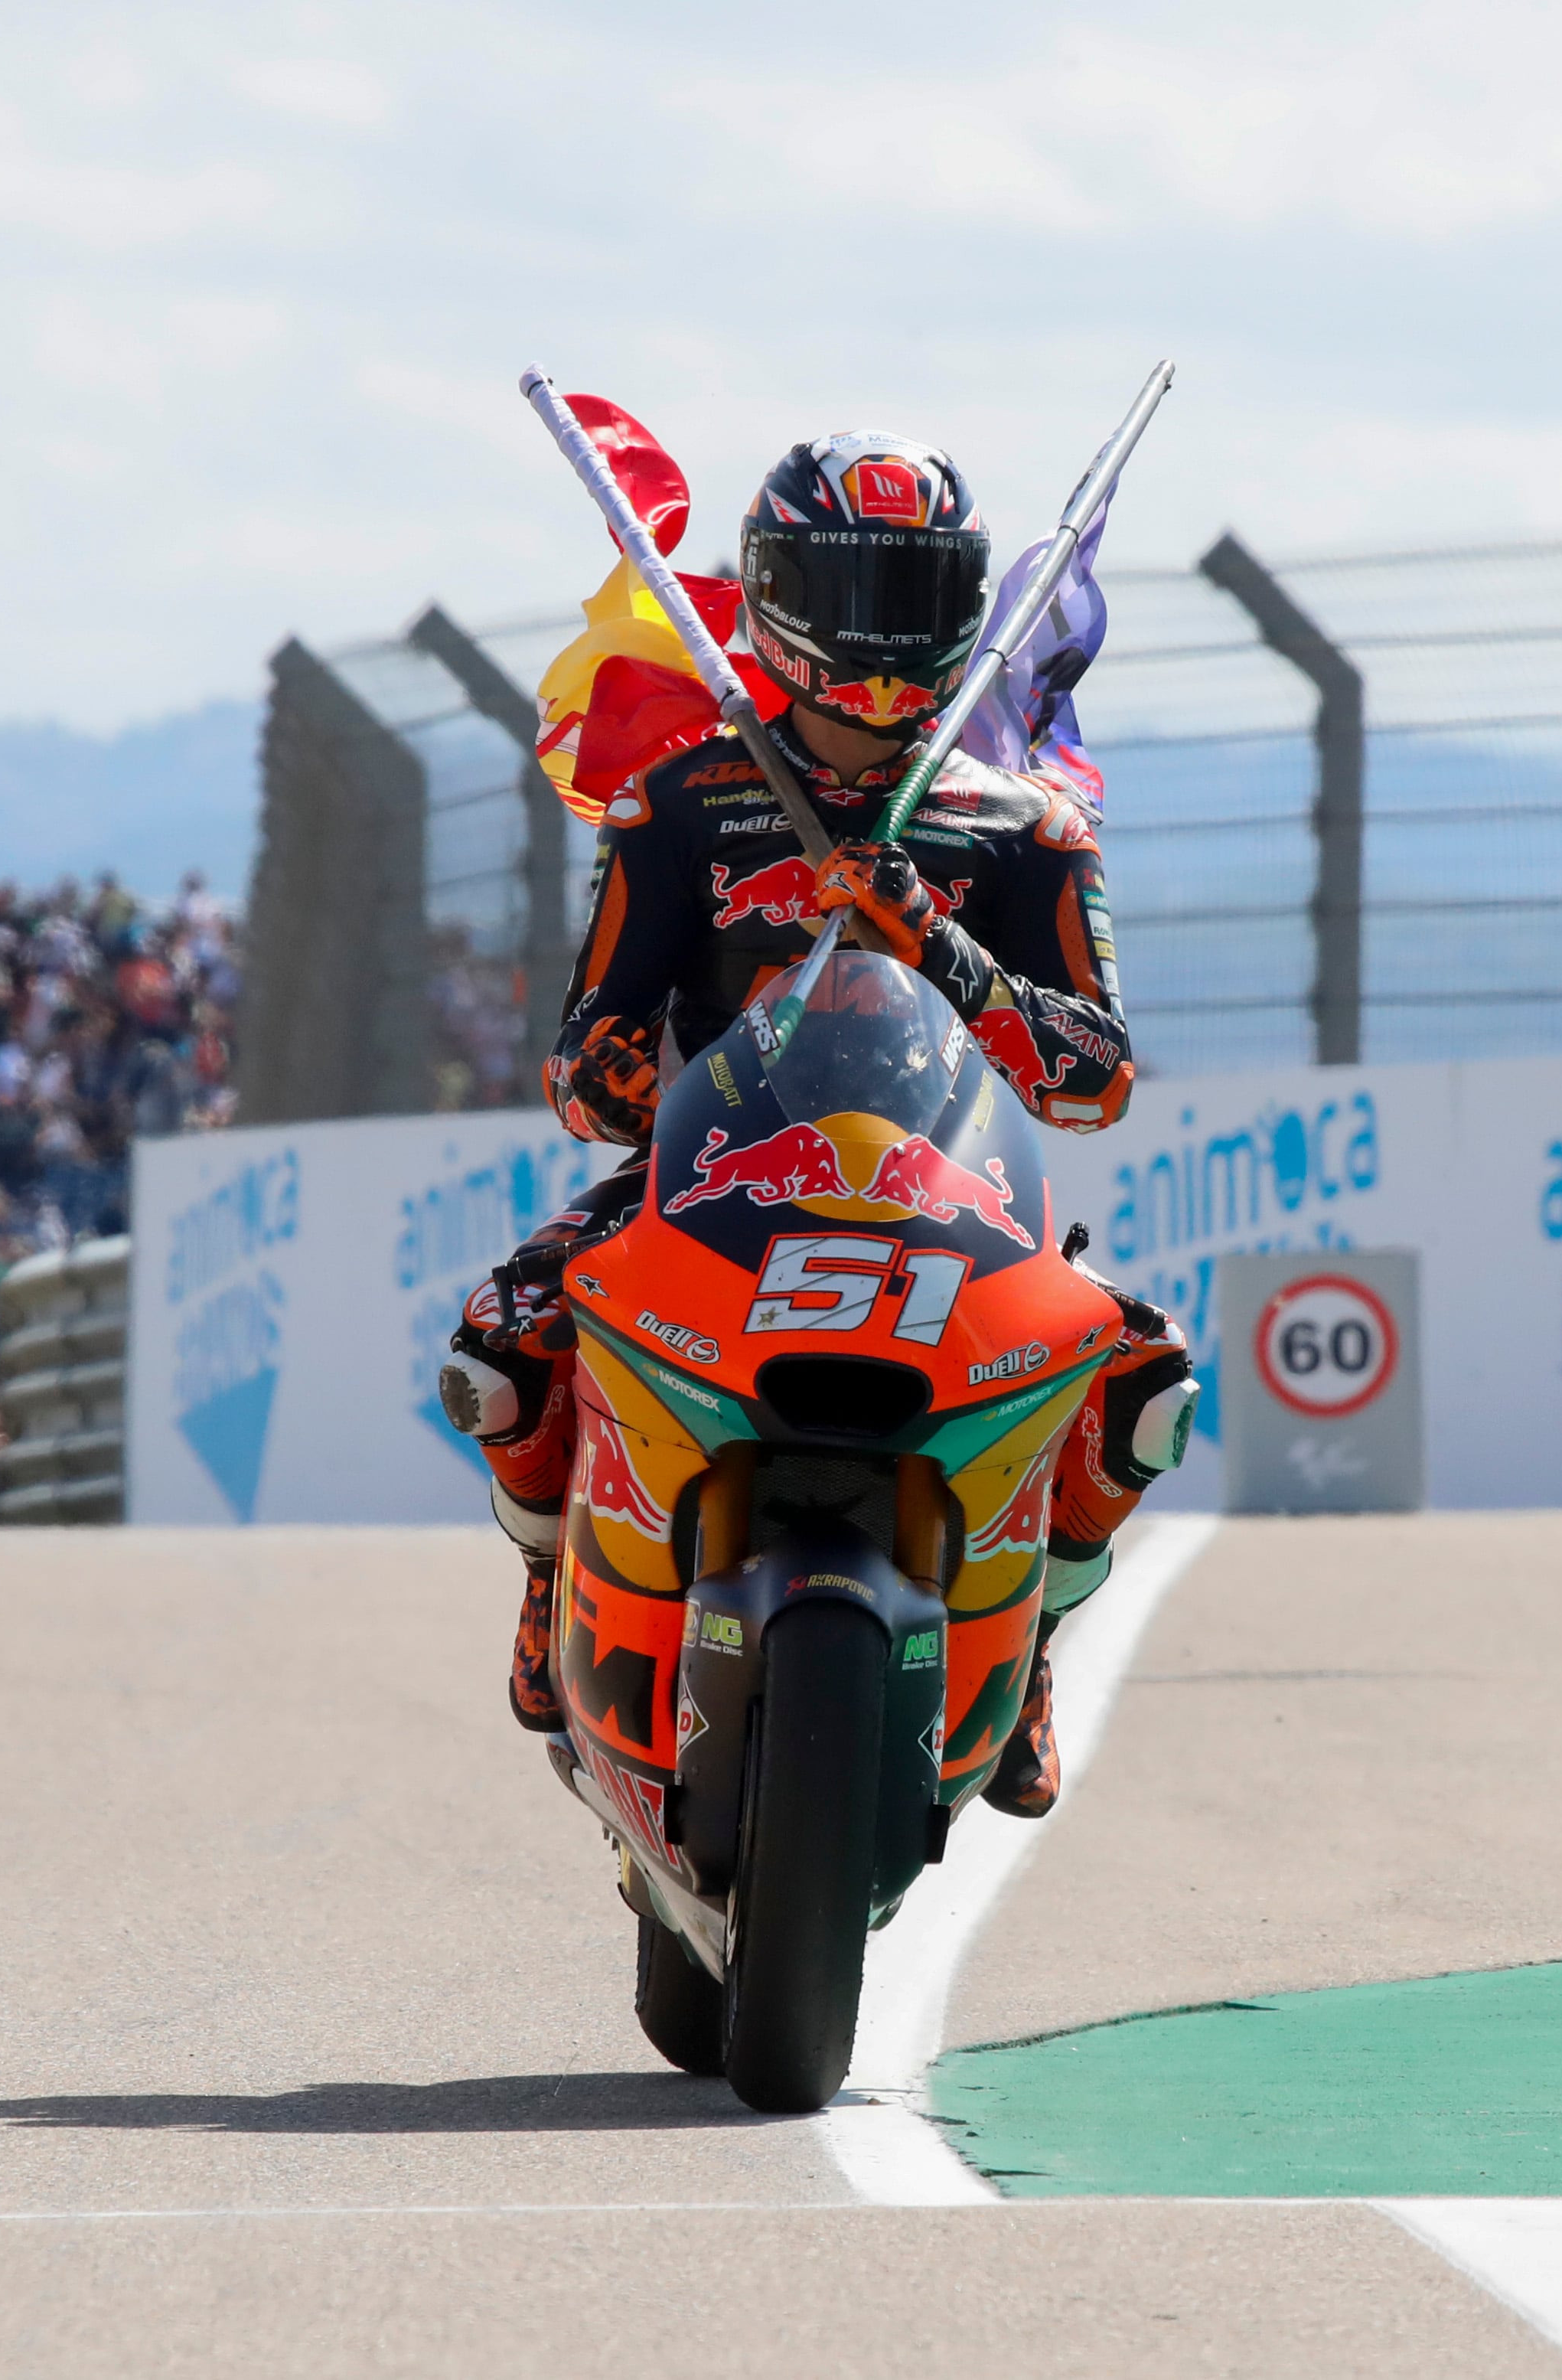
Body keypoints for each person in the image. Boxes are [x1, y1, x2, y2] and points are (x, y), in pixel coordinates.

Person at [435, 431, 1190, 1819]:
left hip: (956, 1189)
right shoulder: (674, 802)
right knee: (501, 1340)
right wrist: (610, 1072)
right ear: (779, 596)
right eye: (855, 591)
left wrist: (942, 948)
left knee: (1144, 1381)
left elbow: (1092, 1077)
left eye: (915, 587)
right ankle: (552, 1579)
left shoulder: (1027, 828)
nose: (884, 632)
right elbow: (583, 1043)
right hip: (713, 1178)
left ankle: (1025, 1653)